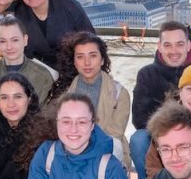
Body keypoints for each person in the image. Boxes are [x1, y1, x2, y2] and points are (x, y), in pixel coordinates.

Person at [49, 31, 132, 171]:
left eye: (93, 56)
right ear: (74, 62)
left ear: (102, 59)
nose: (87, 63)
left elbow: (114, 133)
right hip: (71, 150)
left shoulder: (119, 93)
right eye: (80, 57)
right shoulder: (65, 94)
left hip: (107, 153)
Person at [130, 21, 191, 179]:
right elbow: (139, 118)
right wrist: (168, 135)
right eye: (167, 45)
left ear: (188, 45)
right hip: (157, 137)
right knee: (138, 139)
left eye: (179, 44)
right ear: (159, 46)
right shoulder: (147, 74)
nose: (173, 51)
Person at [13, 0, 95, 71]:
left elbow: (91, 40)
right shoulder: (18, 13)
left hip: (74, 69)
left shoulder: (68, 5)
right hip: (37, 73)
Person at [0, 15, 58, 104]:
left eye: (15, 40)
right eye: (3, 41)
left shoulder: (42, 77)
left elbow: (47, 115)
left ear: (25, 40)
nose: (9, 47)